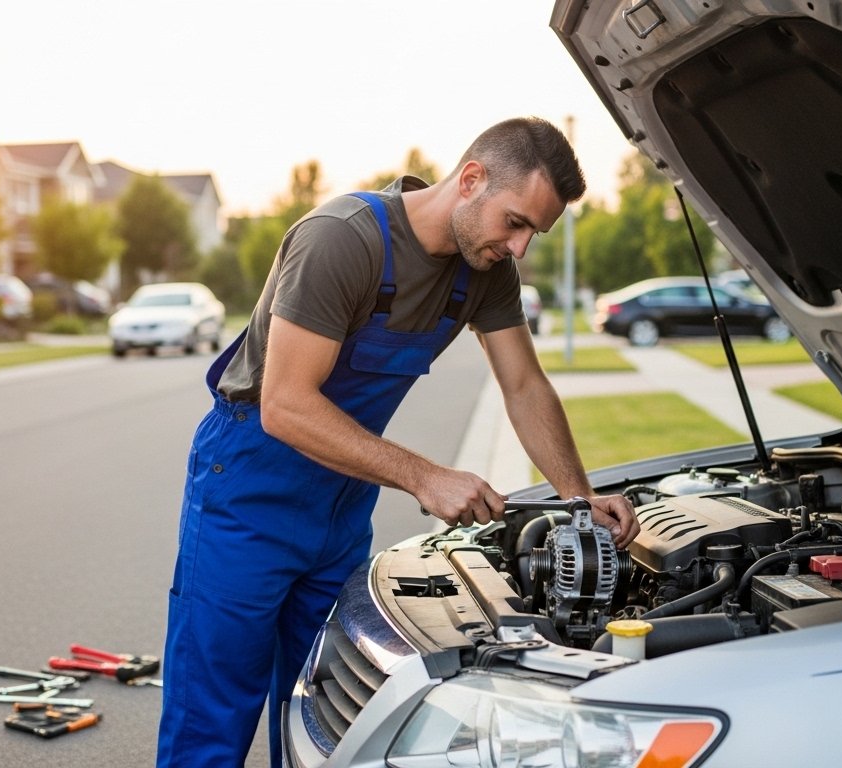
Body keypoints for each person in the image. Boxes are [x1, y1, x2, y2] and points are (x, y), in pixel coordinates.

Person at [156, 116, 639, 768]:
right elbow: (286, 405)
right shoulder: (342, 241)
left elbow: (523, 384)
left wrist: (579, 495)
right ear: (470, 180)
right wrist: (424, 477)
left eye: (535, 233)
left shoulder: (485, 271)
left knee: (323, 713)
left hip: (340, 500)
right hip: (248, 487)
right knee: (213, 712)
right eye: (516, 222)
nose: (521, 248)